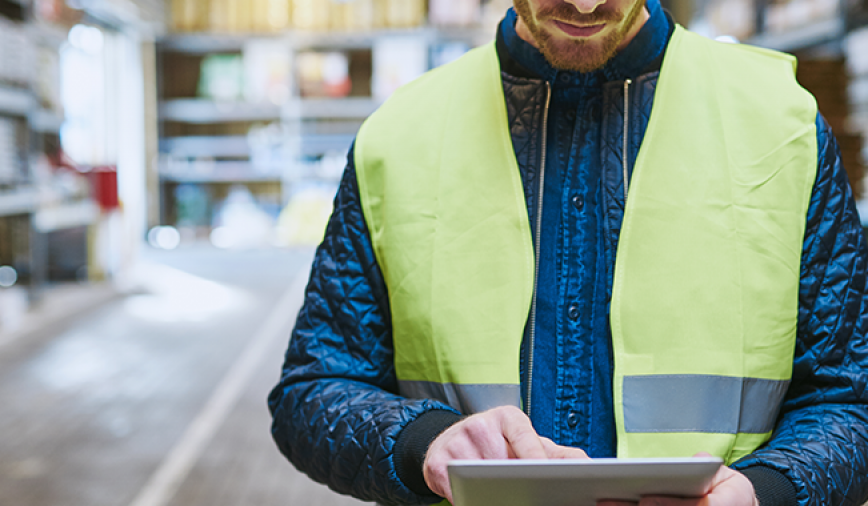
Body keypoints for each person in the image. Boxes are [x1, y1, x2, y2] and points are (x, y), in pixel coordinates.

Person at [268, 0, 868, 504]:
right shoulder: (399, 137)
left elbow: (851, 399)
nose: (584, 3)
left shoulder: (782, 127)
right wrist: (424, 442)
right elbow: (314, 389)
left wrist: (765, 490)